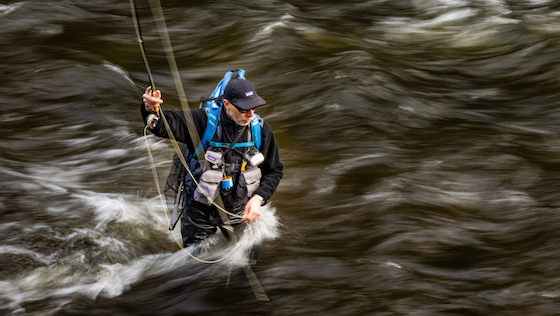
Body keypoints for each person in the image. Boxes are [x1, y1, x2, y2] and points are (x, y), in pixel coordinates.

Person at [141, 79, 283, 247]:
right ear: (226, 104)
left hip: (239, 210)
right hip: (198, 210)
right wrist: (149, 109)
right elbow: (163, 124)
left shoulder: (259, 129)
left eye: (253, 108)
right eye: (244, 109)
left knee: (250, 259)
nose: (250, 114)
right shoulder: (202, 121)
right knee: (195, 263)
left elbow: (274, 171)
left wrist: (258, 198)